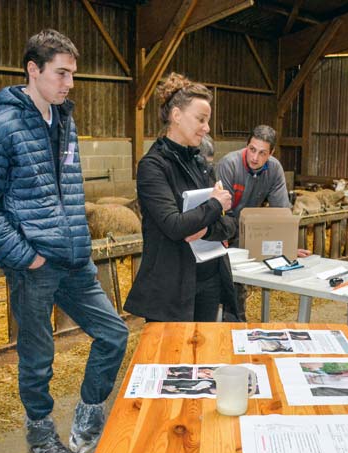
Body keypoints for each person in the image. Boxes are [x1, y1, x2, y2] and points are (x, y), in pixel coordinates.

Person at [0, 29, 129, 453]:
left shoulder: (64, 120)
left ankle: (87, 425)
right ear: (33, 70)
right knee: (38, 356)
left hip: (74, 259)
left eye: (72, 74)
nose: (69, 83)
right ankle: (41, 437)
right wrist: (25, 256)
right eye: (61, 73)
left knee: (113, 335)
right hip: (34, 264)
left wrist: (80, 243)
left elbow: (68, 192)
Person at [123, 73, 238, 322]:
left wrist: (205, 231)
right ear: (176, 116)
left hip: (209, 280)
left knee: (202, 356)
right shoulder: (153, 166)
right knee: (172, 359)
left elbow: (229, 225)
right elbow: (173, 225)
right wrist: (215, 204)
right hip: (172, 289)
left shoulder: (199, 162)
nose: (207, 128)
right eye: (201, 119)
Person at [215, 125, 304, 320]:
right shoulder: (229, 165)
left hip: (248, 233)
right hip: (222, 231)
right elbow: (221, 211)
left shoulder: (274, 169)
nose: (255, 157)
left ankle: (236, 325)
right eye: (252, 150)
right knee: (224, 286)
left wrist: (288, 247)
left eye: (262, 153)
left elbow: (281, 212)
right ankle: (227, 325)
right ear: (247, 145)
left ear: (271, 153)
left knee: (239, 287)